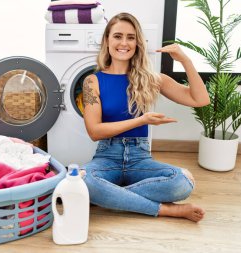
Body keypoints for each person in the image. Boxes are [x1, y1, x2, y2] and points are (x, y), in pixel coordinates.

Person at [81, 12, 210, 222]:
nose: (124, 43)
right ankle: (167, 210)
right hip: (107, 157)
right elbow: (94, 132)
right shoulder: (92, 81)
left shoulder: (152, 79)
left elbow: (200, 99)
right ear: (107, 40)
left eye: (131, 37)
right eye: (118, 36)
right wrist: (142, 120)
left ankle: (106, 196)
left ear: (137, 43)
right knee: (85, 179)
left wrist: (185, 61)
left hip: (139, 159)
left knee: (182, 182)